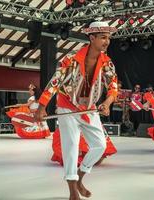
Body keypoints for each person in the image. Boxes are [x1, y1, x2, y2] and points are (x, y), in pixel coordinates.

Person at [35, 21, 118, 200]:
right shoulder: (71, 58)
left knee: (100, 145)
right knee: (71, 146)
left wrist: (108, 102)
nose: (107, 41)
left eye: (108, 38)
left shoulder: (107, 63)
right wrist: (42, 106)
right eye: (103, 37)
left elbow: (113, 87)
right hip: (67, 106)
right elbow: (54, 82)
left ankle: (80, 176)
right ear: (92, 38)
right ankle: (73, 189)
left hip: (89, 108)